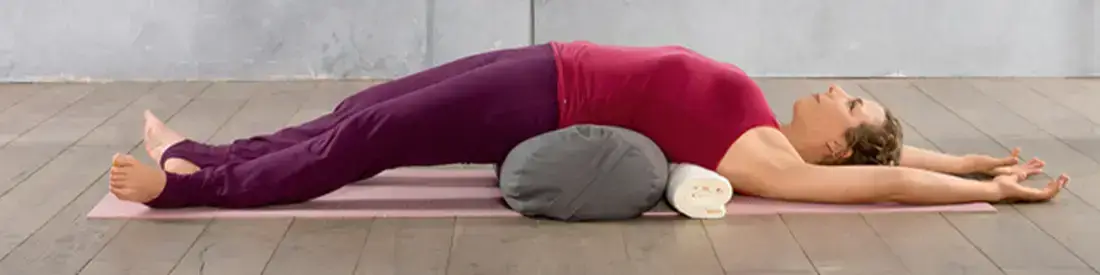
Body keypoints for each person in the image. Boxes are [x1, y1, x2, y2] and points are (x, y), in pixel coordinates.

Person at [107, 41, 1066, 209]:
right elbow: (903, 153)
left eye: (853, 105)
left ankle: (189, 189)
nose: (840, 91)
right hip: (548, 62)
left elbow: (891, 176)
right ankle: (202, 152)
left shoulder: (775, 160)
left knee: (366, 142)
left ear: (833, 147)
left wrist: (985, 192)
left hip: (545, 102)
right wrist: (979, 152)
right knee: (361, 107)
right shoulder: (780, 123)